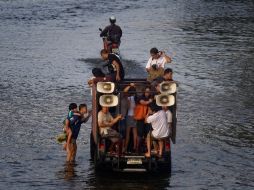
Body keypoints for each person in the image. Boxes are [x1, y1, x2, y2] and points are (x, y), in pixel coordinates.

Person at [135, 86, 153, 152]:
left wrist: (147, 115)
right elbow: (143, 102)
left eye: (149, 92)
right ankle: (137, 149)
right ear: (144, 92)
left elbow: (151, 109)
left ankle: (146, 148)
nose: (147, 93)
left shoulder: (151, 98)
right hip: (140, 119)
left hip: (148, 119)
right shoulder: (140, 97)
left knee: (147, 134)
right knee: (139, 134)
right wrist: (149, 101)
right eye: (146, 91)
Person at [123, 83, 138, 153]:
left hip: (129, 116)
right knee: (135, 133)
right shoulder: (136, 99)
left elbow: (124, 91)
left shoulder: (128, 98)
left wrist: (130, 85)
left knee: (128, 133)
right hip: (135, 116)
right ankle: (135, 147)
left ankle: (125, 148)